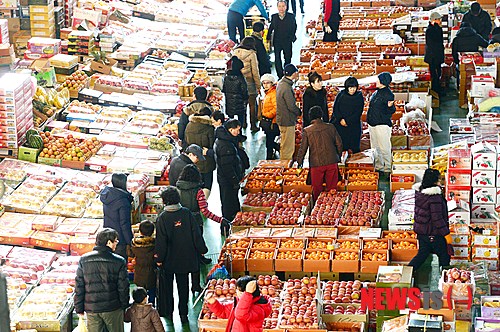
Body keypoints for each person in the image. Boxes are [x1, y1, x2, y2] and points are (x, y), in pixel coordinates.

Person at [155, 186, 208, 324]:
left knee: (168, 287)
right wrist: (202, 249)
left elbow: (161, 241)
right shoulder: (186, 213)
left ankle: (169, 313)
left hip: (169, 261)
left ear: (164, 201)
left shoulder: (162, 218)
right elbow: (196, 234)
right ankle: (183, 314)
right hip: (185, 258)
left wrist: (159, 259)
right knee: (183, 287)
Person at [176, 164, 231, 294]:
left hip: (180, 225)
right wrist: (221, 220)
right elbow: (205, 212)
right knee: (196, 252)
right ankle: (195, 285)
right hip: (195, 224)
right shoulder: (199, 192)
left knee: (185, 252)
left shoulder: (177, 190)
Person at [75, 228, 129, 332]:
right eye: (116, 241)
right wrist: (124, 306)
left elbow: (79, 286)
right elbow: (123, 287)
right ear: (109, 242)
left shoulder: (84, 260)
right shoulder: (119, 261)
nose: (116, 244)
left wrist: (79, 307)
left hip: (92, 309)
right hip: (112, 308)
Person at [296, 106, 343, 200]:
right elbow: (339, 144)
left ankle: (318, 209)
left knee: (317, 190)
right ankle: (332, 206)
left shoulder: (307, 130)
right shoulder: (330, 127)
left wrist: (299, 162)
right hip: (332, 161)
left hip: (316, 164)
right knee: (332, 189)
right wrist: (338, 156)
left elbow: (303, 148)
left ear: (310, 117)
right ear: (321, 115)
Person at [409, 169, 452, 270]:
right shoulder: (434, 197)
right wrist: (446, 234)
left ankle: (407, 273)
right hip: (433, 233)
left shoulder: (420, 192)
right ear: (434, 181)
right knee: (444, 256)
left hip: (422, 232)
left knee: (422, 255)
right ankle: (447, 278)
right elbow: (437, 218)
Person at [205, 277, 272, 332]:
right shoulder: (239, 303)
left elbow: (241, 315)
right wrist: (213, 302)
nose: (237, 292)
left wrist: (247, 294)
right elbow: (224, 311)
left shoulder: (259, 308)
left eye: (239, 290)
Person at [214, 119, 244, 220]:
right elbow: (227, 166)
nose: (238, 132)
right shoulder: (225, 145)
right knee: (228, 204)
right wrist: (234, 180)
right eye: (237, 130)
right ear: (230, 129)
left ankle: (233, 220)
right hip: (227, 181)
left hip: (226, 179)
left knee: (231, 201)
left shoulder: (226, 140)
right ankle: (227, 225)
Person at [366, 72, 396, 175]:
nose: (376, 81)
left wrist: (390, 106)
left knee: (384, 147)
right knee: (375, 147)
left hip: (382, 124)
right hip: (373, 123)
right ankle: (379, 166)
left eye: (378, 80)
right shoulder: (377, 92)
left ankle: (388, 168)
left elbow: (391, 111)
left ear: (383, 81)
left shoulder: (388, 95)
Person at [184, 107, 216, 197]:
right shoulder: (209, 128)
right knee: (206, 187)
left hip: (193, 160)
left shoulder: (189, 125)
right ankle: (204, 205)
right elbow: (213, 145)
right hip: (207, 162)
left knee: (195, 186)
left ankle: (197, 206)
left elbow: (186, 141)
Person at [100, 173, 133, 261]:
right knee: (120, 263)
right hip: (119, 238)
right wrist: (130, 241)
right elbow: (124, 223)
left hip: (108, 235)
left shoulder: (108, 195)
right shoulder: (123, 201)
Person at [234, 37, 262, 132]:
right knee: (252, 104)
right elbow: (255, 71)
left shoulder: (235, 52)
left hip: (238, 81)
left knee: (243, 103)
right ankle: (253, 125)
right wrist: (258, 85)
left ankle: (244, 123)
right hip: (249, 81)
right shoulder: (251, 54)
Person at [127, 220, 157, 306]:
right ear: (152, 232)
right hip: (151, 273)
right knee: (152, 292)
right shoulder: (155, 243)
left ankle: (140, 306)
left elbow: (130, 253)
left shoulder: (135, 244)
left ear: (140, 231)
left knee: (140, 292)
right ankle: (151, 306)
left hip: (139, 273)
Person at [331, 76, 364, 153]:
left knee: (354, 147)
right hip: (340, 125)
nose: (352, 90)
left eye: (354, 87)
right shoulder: (341, 95)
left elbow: (358, 112)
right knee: (341, 147)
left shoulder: (359, 96)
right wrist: (340, 119)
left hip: (353, 126)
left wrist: (347, 121)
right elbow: (336, 108)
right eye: (350, 88)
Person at [451, 22, 489, 88]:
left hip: (462, 62)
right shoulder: (476, 37)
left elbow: (454, 52)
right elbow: (486, 44)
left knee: (460, 71)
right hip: (475, 62)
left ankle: (460, 87)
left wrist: (457, 62)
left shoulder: (456, 39)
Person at [276, 64, 301, 160]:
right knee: (288, 147)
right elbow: (291, 106)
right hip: (287, 120)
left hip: (282, 118)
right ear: (294, 74)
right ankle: (285, 166)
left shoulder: (281, 83)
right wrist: (299, 112)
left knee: (284, 144)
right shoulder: (286, 88)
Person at [267, 0, 297, 78]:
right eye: (279, 6)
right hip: (277, 41)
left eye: (283, 6)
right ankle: (280, 74)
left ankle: (287, 72)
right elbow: (271, 27)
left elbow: (294, 27)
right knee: (277, 58)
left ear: (286, 7)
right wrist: (268, 37)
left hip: (287, 40)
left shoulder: (291, 16)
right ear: (277, 7)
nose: (281, 8)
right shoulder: (274, 16)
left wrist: (292, 38)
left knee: (288, 57)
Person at [223, 56, 249, 127]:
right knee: (240, 119)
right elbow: (244, 90)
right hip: (239, 103)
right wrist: (246, 98)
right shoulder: (240, 78)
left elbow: (224, 89)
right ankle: (239, 134)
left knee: (231, 121)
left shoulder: (226, 77)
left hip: (229, 103)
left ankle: (231, 133)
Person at [260, 73, 280, 160]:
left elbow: (276, 108)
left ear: (272, 83)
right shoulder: (268, 93)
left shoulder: (273, 94)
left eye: (268, 83)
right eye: (264, 83)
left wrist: (267, 115)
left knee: (269, 142)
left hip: (272, 122)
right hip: (268, 121)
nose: (265, 85)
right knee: (269, 141)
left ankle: (269, 158)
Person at [425, 12, 445, 96]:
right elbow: (434, 43)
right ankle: (436, 91)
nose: (440, 21)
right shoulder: (430, 30)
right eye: (439, 19)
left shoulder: (436, 29)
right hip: (433, 57)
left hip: (437, 56)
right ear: (434, 20)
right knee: (434, 74)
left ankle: (437, 90)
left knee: (438, 72)